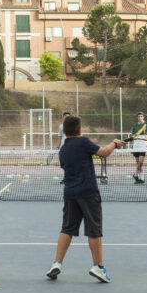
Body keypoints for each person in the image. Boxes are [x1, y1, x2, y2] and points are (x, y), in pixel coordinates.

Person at [46, 115, 125, 283]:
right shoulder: (83, 142)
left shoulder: (63, 150)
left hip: (70, 194)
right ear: (79, 130)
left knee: (66, 229)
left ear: (65, 132)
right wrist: (114, 144)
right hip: (88, 193)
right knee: (94, 230)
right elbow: (103, 153)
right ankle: (98, 267)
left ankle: (56, 263)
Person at [130, 112, 147, 183]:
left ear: (143, 117)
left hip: (143, 145)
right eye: (138, 116)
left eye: (141, 116)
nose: (140, 118)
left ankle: (135, 174)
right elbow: (133, 136)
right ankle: (142, 179)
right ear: (137, 117)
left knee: (141, 162)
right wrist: (132, 146)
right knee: (138, 162)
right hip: (136, 146)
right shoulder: (135, 125)